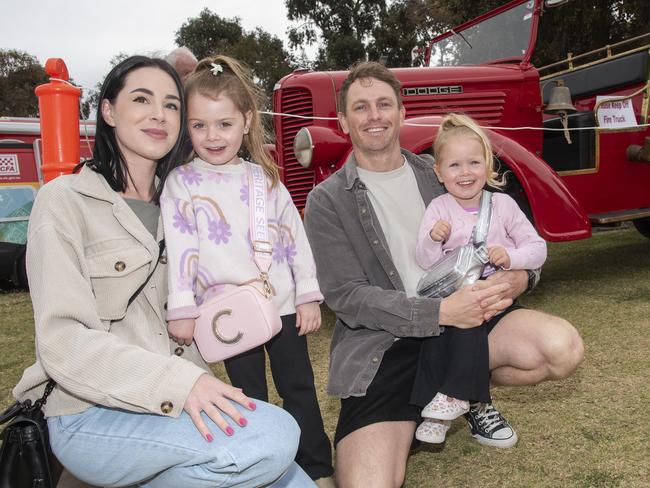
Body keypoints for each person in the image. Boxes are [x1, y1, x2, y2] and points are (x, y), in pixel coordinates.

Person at [12, 55, 312, 487]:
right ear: (109, 111)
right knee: (275, 434)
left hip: (184, 402)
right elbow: (63, 343)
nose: (159, 113)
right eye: (141, 99)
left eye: (171, 104)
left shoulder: (187, 197)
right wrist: (180, 383)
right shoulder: (65, 201)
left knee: (289, 474)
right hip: (94, 410)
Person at [303, 61, 584, 488]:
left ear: (401, 112)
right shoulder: (326, 201)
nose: (374, 116)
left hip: (467, 321)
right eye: (361, 107)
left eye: (384, 104)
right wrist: (438, 314)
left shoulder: (441, 173)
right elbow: (347, 297)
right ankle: (433, 399)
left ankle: (461, 389)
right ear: (343, 121)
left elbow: (507, 231)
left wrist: (523, 277)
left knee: (560, 348)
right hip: (384, 344)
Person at [160, 55, 334, 488]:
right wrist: (181, 306)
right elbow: (182, 248)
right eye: (199, 126)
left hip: (282, 304)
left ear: (246, 121)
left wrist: (308, 294)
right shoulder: (181, 183)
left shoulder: (264, 179)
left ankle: (317, 467)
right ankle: (267, 470)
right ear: (187, 128)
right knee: (248, 396)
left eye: (224, 124)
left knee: (299, 389)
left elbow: (293, 237)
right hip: (226, 313)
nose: (212, 136)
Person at [409, 113, 547, 446]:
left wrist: (511, 258)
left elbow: (538, 249)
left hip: (493, 299)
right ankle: (445, 407)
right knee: (440, 334)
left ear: (488, 166)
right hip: (455, 299)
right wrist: (432, 238)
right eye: (454, 165)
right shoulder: (439, 208)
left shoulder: (503, 205)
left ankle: (454, 397)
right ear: (439, 173)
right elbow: (425, 261)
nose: (466, 172)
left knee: (471, 313)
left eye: (474, 162)